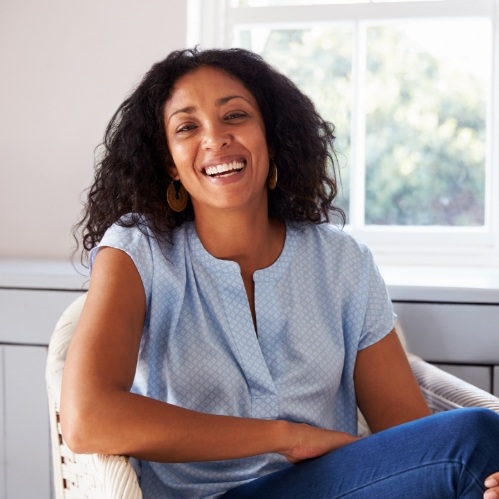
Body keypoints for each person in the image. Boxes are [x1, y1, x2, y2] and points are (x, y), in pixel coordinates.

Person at [61, 47, 499, 499]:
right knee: (479, 439)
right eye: (187, 127)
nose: (215, 139)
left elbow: (414, 439)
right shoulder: (138, 250)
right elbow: (86, 418)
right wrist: (285, 436)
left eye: (235, 116)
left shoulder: (342, 262)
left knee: (482, 455)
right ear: (170, 162)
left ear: (271, 135)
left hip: (338, 487)